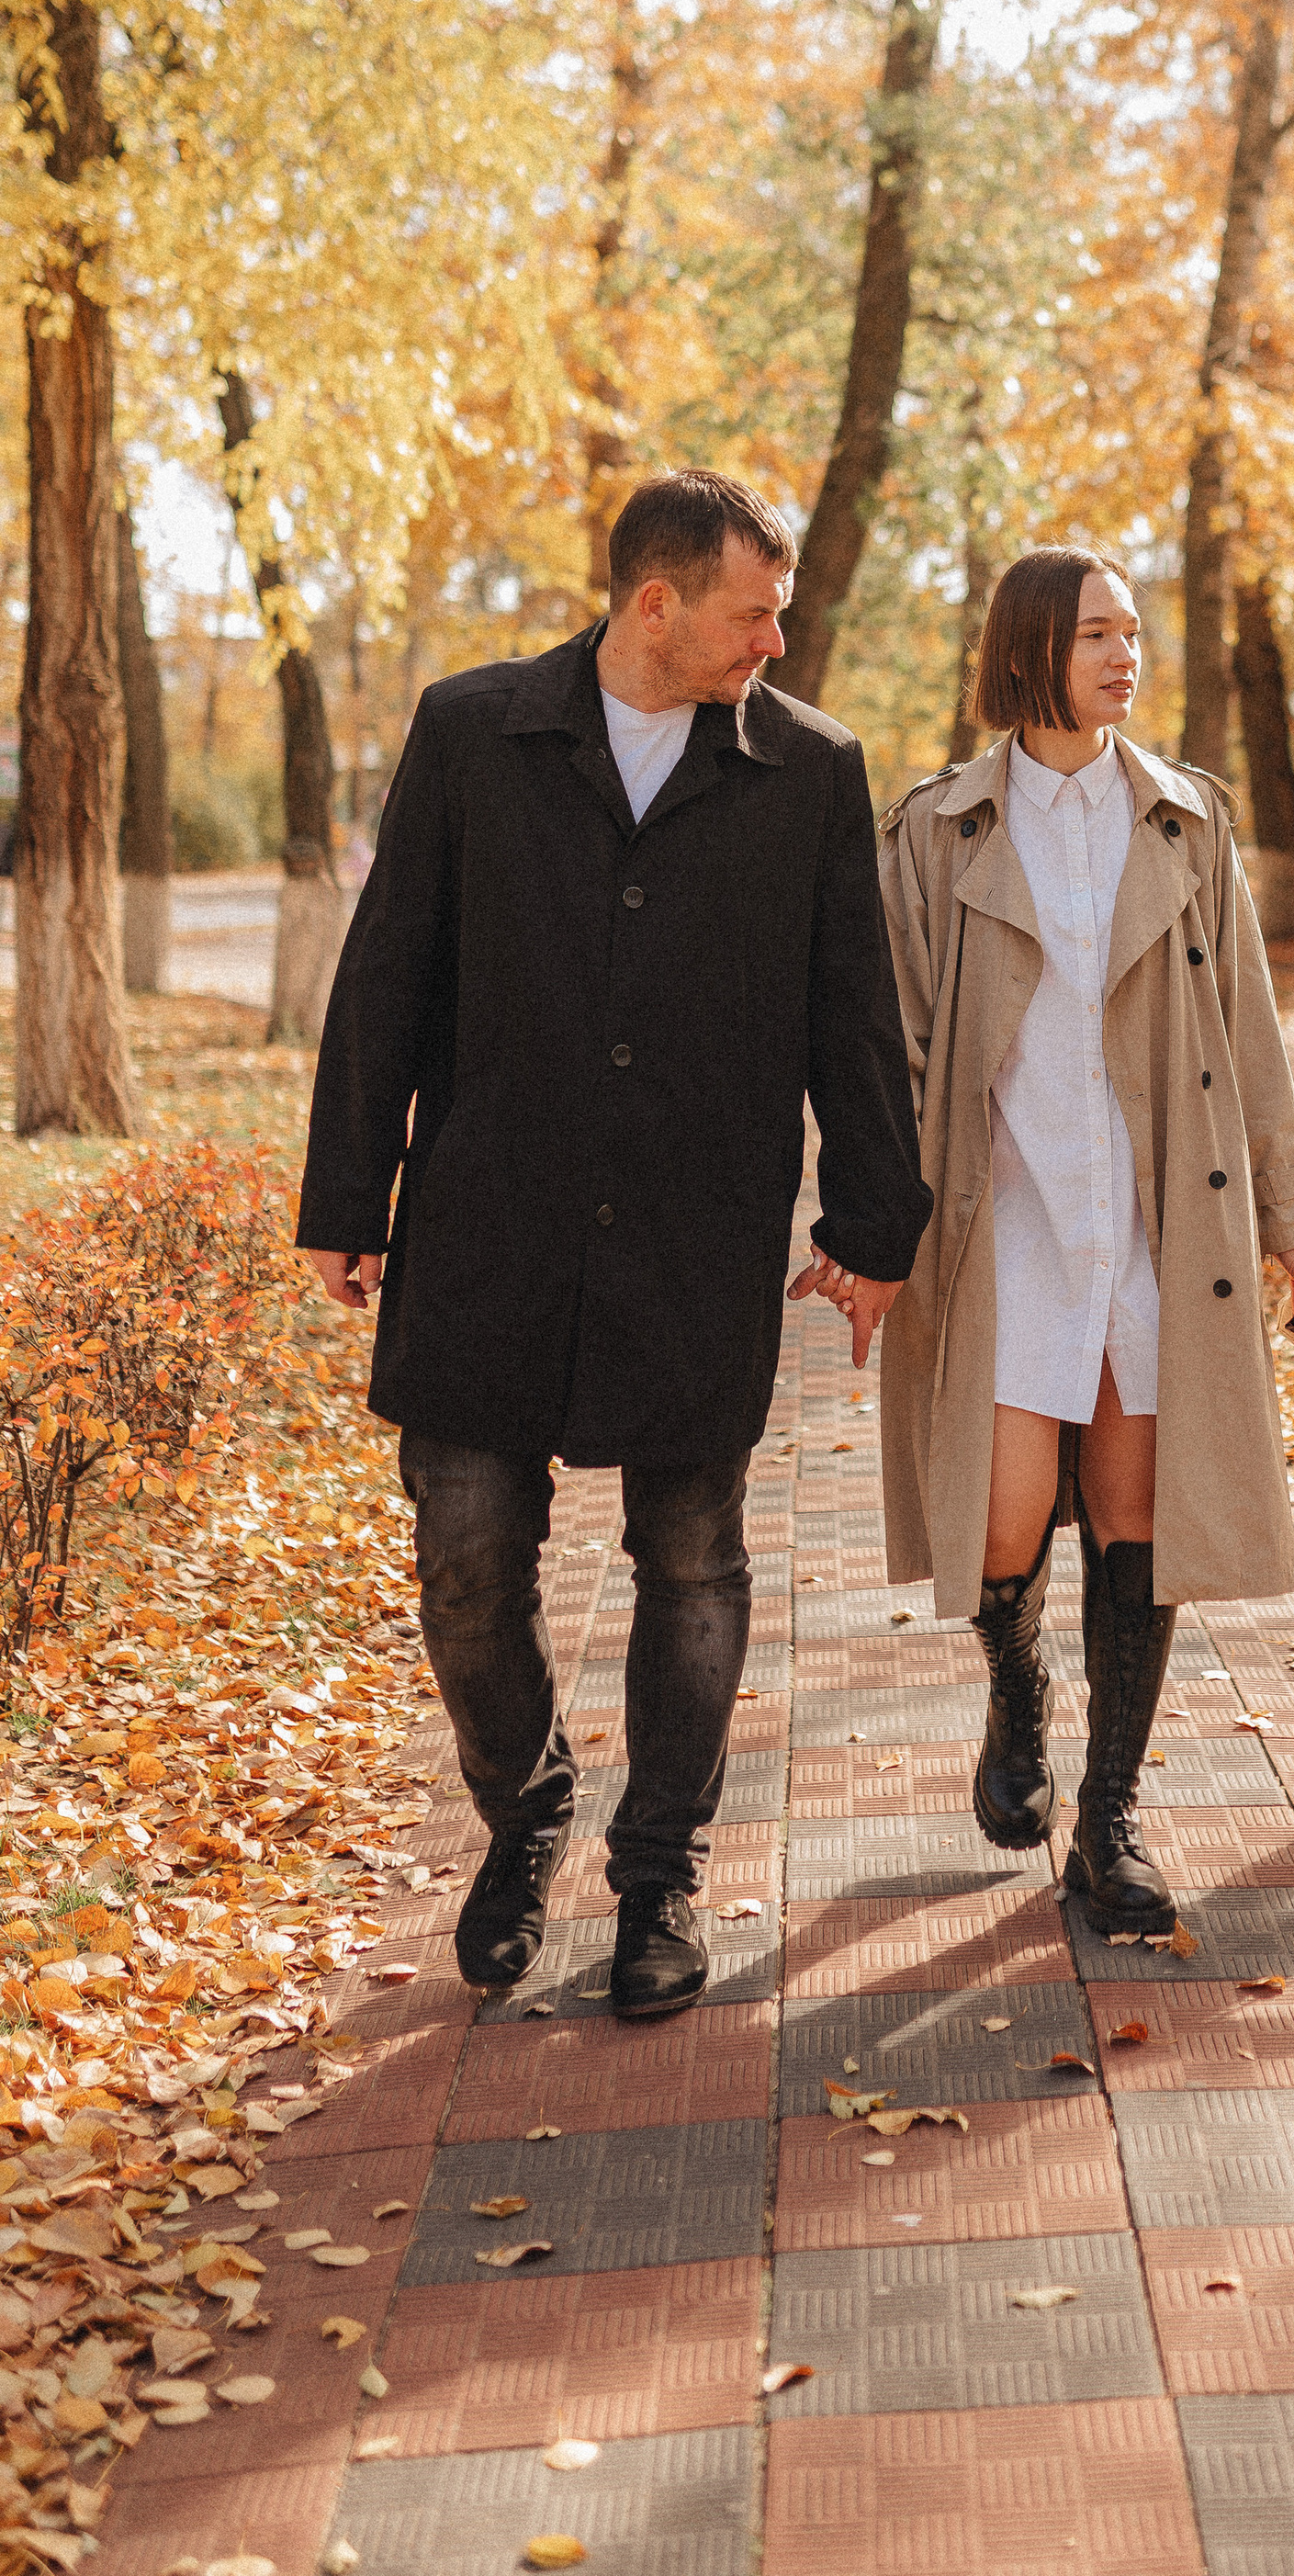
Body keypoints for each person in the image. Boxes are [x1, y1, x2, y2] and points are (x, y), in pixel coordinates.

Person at [296, 471, 930, 2017]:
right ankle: (525, 1813)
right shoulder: (472, 732)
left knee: (693, 1560)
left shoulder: (809, 769)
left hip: (695, 1233)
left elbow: (853, 1013)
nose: (775, 641)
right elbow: (388, 972)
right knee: (465, 1558)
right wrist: (346, 1197)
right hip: (487, 1228)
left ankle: (659, 1880)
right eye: (752, 612)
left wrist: (872, 1228)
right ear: (657, 603)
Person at [876, 547, 1294, 1934]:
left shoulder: (1186, 820)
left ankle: (1111, 1820)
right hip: (1003, 1214)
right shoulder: (937, 830)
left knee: (1139, 1515)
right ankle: (1016, 1686)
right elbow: (898, 1047)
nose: (1125, 657)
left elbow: (1250, 1032)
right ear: (1029, 648)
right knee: (1003, 1515)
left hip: (1156, 1219)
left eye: (1133, 634)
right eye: (1096, 635)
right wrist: (875, 1224)